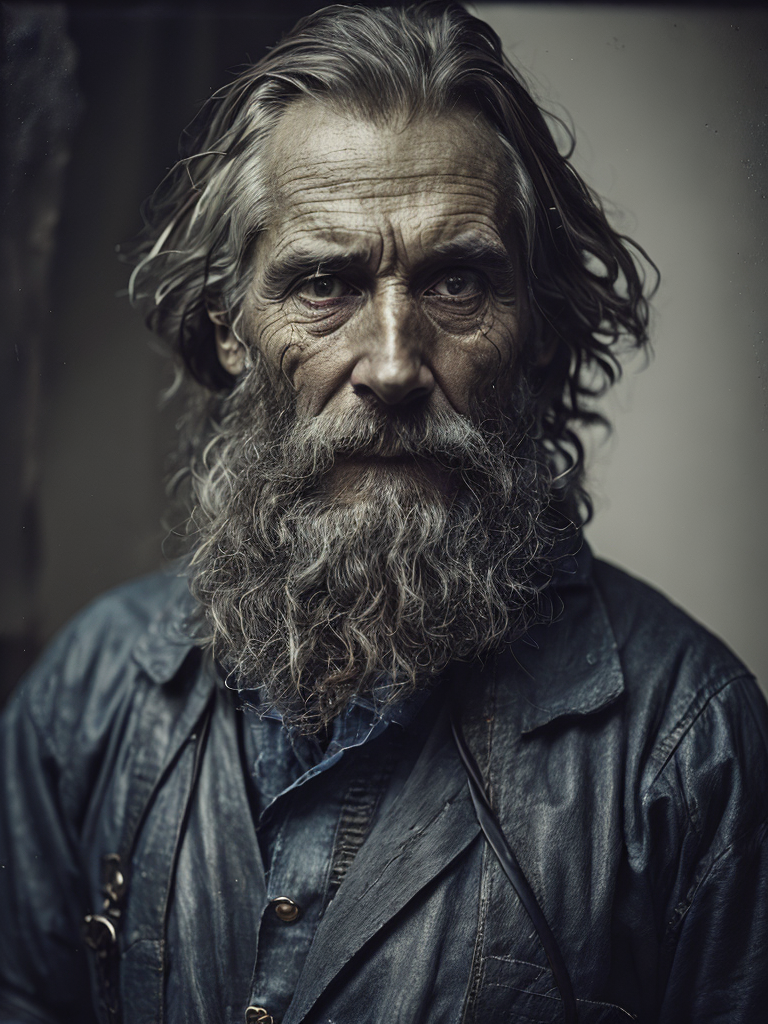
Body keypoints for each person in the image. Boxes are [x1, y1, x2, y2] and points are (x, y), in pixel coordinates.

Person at [1, 4, 766, 1023]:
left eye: (458, 282)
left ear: (538, 329)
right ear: (230, 331)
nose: (395, 365)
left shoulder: (692, 751)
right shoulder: (87, 700)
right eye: (325, 282)